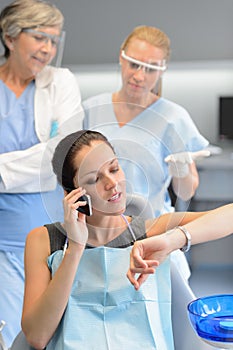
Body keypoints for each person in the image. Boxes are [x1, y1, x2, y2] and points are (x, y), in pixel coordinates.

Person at [21, 129, 233, 350]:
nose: (112, 183)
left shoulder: (151, 230)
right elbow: (37, 336)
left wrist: (174, 239)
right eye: (94, 179)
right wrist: (75, 247)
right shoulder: (44, 241)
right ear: (73, 195)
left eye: (114, 168)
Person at [0, 0, 83, 346]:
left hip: (48, 238)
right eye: (39, 38)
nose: (48, 49)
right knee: (8, 335)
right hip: (4, 239)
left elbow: (59, 156)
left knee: (47, 333)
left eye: (54, 40)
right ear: (10, 37)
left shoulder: (60, 82)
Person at [83, 25, 209, 218]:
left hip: (151, 227)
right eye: (134, 65)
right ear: (121, 57)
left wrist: (181, 170)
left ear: (161, 71)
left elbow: (186, 193)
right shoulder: (90, 110)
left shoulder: (174, 118)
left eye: (150, 69)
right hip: (98, 229)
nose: (139, 76)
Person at [127, 203, 233, 290]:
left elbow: (229, 215)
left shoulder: (137, 228)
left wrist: (172, 240)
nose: (113, 184)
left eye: (114, 175)